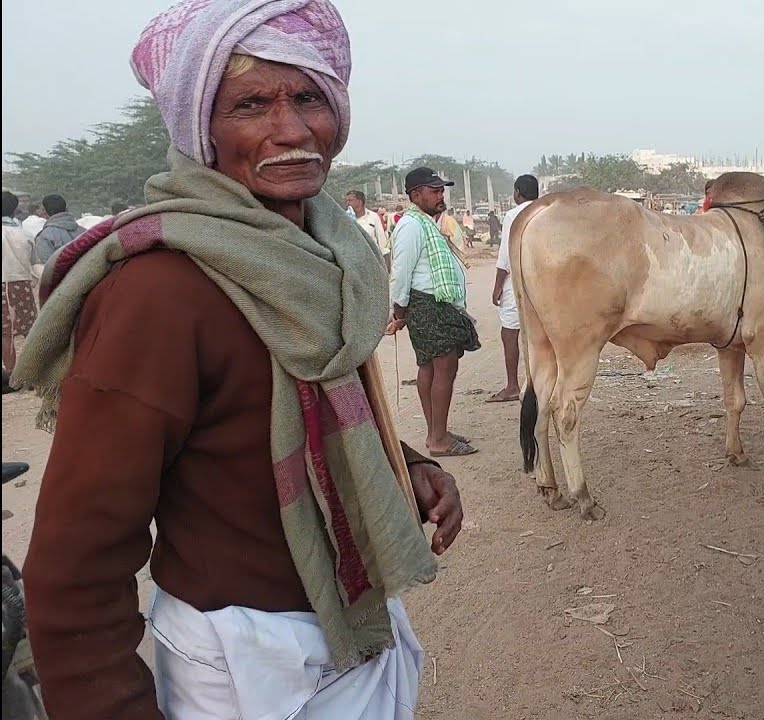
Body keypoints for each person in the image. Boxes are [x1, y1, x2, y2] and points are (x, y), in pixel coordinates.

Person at [11, 2, 463, 718]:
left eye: (309, 97)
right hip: (246, 663)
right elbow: (77, 565)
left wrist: (405, 465)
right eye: (250, 104)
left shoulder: (328, 254)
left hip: (349, 628)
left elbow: (289, 407)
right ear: (200, 128)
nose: (290, 130)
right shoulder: (156, 293)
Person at [387, 167, 480, 458]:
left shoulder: (426, 223)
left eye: (441, 190)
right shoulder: (411, 226)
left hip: (434, 304)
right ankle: (439, 439)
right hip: (428, 305)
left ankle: (435, 433)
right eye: (434, 190)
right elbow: (400, 272)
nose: (441, 195)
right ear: (416, 195)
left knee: (430, 367)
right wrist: (399, 311)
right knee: (444, 368)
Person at [488, 174, 537, 403]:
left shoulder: (514, 215)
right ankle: (540, 380)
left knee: (510, 332)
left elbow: (506, 255)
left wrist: (498, 285)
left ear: (518, 193)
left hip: (517, 280)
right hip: (543, 281)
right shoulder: (546, 211)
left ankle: (512, 385)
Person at [2, 191, 38, 376]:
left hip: (2, 285)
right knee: (29, 329)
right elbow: (34, 261)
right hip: (22, 283)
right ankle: (35, 371)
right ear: (14, 208)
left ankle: (11, 374)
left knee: (5, 333)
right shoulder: (25, 233)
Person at [31, 194, 85, 271]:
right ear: (66, 209)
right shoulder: (85, 231)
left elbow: (48, 267)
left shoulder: (45, 236)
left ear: (44, 212)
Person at [346, 189, 390, 267]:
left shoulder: (373, 217)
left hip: (373, 262)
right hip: (354, 264)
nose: (347, 203)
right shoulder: (346, 219)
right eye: (347, 201)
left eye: (350, 200)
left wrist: (387, 268)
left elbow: (382, 243)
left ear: (359, 202)